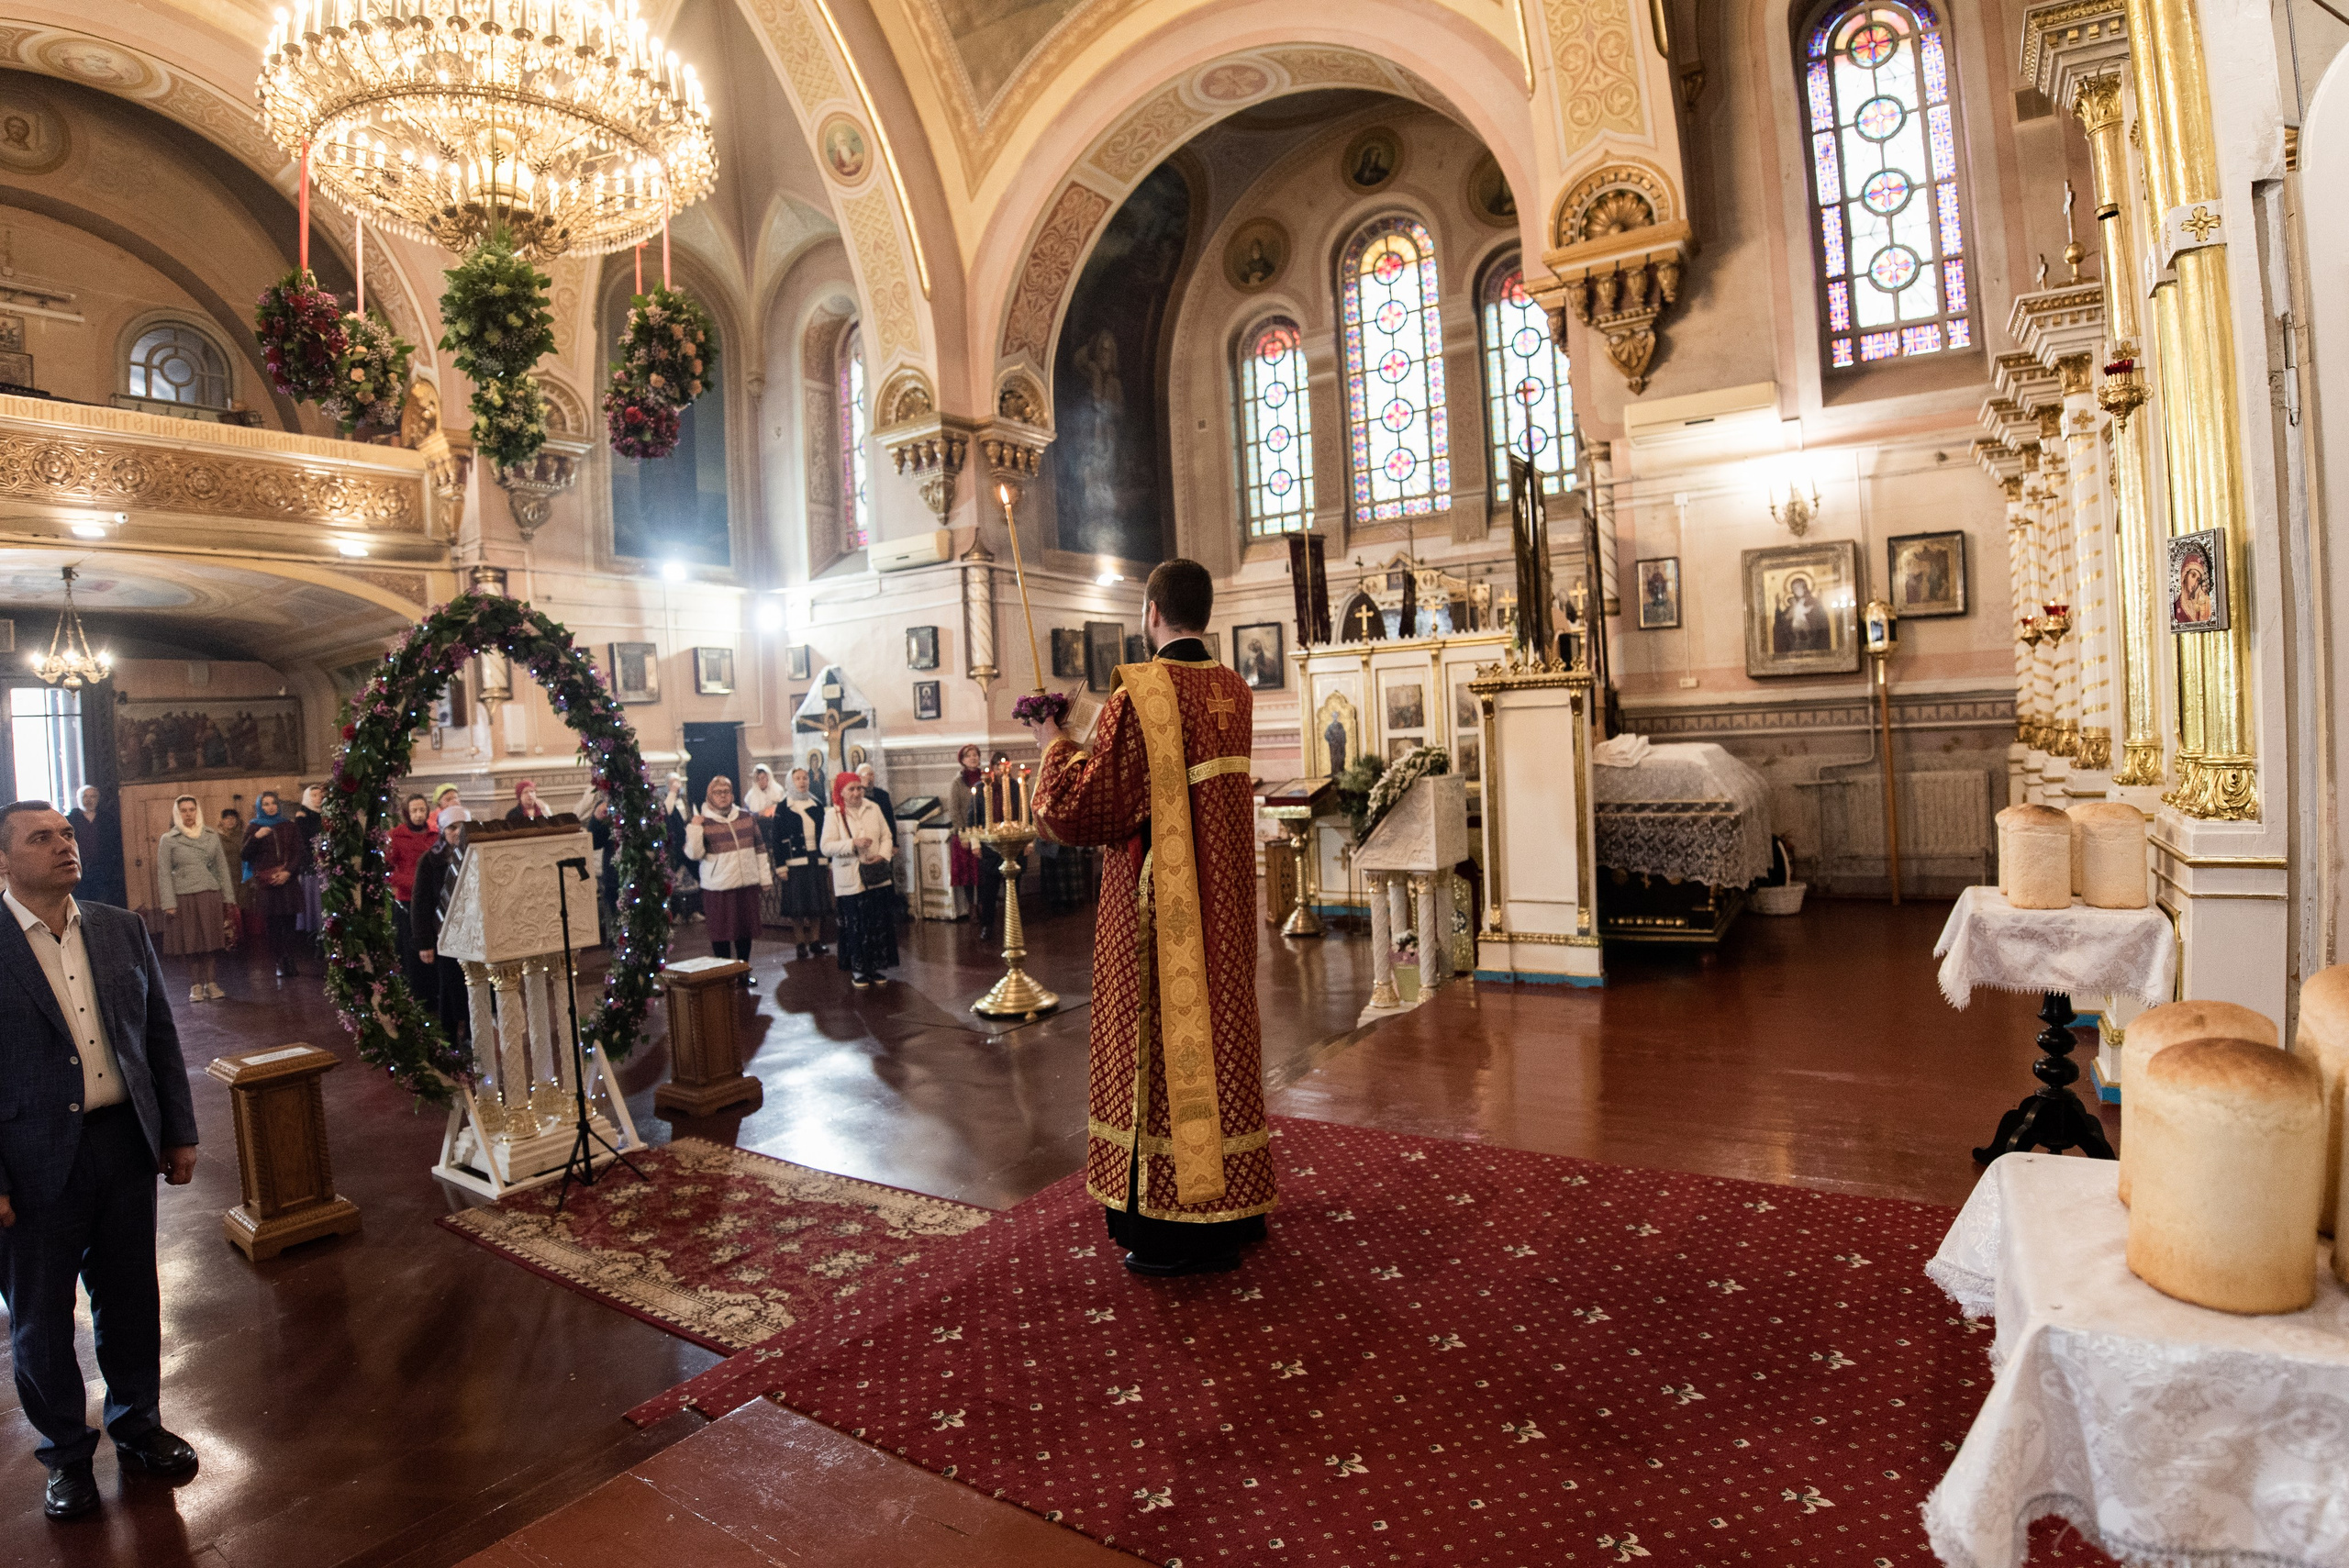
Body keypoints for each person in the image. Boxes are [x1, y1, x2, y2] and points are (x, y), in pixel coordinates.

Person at [1028, 558, 1275, 1277]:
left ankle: (1175, 1229)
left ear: (1151, 611)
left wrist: (1055, 746)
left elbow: (1089, 807)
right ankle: (1239, 1203)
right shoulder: (1234, 687)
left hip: (1160, 914)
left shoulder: (1140, 691)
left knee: (1165, 1058)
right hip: (1224, 910)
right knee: (1222, 1040)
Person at [0, 799, 201, 1519]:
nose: (63, 845)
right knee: (42, 1315)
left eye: (66, 833)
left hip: (122, 1141)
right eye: (40, 837)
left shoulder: (119, 927)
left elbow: (158, 1033)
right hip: (28, 1157)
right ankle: (65, 1454)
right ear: (3, 859)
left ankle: (138, 1424)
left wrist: (178, 1129)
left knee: (129, 1292)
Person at [154, 795, 237, 1003]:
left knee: (211, 939)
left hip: (209, 893)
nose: (188, 814)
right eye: (183, 810)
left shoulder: (211, 835)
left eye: (192, 809)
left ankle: (212, 982)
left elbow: (222, 868)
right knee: (190, 941)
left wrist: (228, 898)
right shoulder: (169, 839)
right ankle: (196, 985)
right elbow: (163, 873)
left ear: (197, 811)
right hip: (183, 895)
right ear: (177, 813)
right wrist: (169, 903)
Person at [685, 775, 764, 984]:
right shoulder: (702, 821)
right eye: (717, 793)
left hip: (746, 883)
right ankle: (725, 975)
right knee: (721, 933)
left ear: (732, 794)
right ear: (709, 796)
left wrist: (764, 879)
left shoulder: (746, 817)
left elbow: (760, 849)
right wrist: (694, 828)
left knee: (744, 931)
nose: (723, 796)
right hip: (718, 886)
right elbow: (694, 854)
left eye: (726, 792)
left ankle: (743, 971)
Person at [822, 772, 896, 988]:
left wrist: (882, 855)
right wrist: (852, 843)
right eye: (851, 789)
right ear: (841, 792)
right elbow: (826, 846)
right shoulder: (833, 814)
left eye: (859, 788)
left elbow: (886, 835)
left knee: (876, 923)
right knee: (856, 925)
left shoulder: (873, 808)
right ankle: (858, 969)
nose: (856, 793)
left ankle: (874, 966)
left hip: (875, 875)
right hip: (851, 877)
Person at [409, 805, 471, 1046]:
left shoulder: (475, 855)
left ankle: (471, 1034)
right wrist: (424, 942)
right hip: (443, 933)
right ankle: (449, 1037)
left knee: (471, 987)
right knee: (449, 987)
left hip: (471, 934)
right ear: (442, 831)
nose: (457, 832)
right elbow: (420, 903)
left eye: (462, 827)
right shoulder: (431, 859)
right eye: (452, 827)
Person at [241, 790, 303, 981]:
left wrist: (288, 872)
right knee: (273, 925)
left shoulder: (289, 826)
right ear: (260, 807)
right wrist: (256, 838)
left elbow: (299, 852)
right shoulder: (253, 827)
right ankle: (279, 961)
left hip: (288, 881)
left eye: (273, 803)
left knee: (290, 923)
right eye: (266, 804)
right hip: (267, 884)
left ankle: (290, 958)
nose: (270, 807)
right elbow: (244, 855)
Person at [772, 766, 829, 959]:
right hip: (794, 863)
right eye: (797, 778)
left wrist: (827, 861)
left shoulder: (817, 804)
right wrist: (780, 866)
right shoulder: (783, 807)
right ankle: (800, 943)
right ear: (790, 781)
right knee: (797, 906)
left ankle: (815, 941)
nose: (803, 782)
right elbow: (777, 839)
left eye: (805, 778)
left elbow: (825, 833)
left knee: (816, 904)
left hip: (816, 859)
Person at [386, 794, 436, 1002]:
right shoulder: (396, 836)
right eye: (414, 811)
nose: (418, 815)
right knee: (412, 952)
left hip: (432, 901)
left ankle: (435, 993)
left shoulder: (435, 834)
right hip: (407, 901)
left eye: (422, 810)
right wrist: (412, 882)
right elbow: (387, 871)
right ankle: (416, 996)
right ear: (407, 812)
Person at [946, 744, 985, 922]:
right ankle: (972, 907)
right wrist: (963, 834)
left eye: (975, 754)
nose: (973, 758)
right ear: (962, 760)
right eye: (969, 756)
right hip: (966, 833)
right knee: (969, 874)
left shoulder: (985, 778)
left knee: (983, 871)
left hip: (983, 831)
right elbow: (954, 810)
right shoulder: (957, 782)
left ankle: (985, 904)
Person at [67, 787, 122, 908]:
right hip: (79, 871)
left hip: (103, 871)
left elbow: (115, 845)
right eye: (85, 796)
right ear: (78, 799)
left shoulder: (107, 820)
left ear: (98, 799)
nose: (88, 800)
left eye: (92, 796)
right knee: (81, 905)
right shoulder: (69, 821)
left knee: (103, 904)